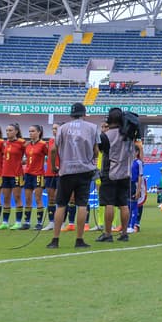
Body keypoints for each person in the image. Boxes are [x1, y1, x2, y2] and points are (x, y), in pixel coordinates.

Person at [47, 103, 100, 249]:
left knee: (61, 204)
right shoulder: (92, 127)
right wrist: (92, 160)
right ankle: (79, 239)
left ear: (71, 114)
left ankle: (55, 239)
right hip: (84, 170)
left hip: (66, 170)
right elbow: (96, 150)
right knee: (82, 204)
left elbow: (53, 150)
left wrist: (53, 166)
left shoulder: (62, 128)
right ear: (84, 113)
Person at [97, 107, 134, 243]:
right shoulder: (128, 135)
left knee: (109, 204)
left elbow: (101, 151)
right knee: (123, 203)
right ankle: (124, 233)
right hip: (125, 172)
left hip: (110, 171)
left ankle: (107, 233)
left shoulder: (105, 135)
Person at [0, 123, 25, 229]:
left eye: (10, 130)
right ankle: (5, 222)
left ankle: (18, 222)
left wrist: (23, 162)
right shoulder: (5, 143)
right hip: (5, 174)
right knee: (6, 198)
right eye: (7, 130)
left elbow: (31, 153)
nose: (8, 132)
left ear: (16, 131)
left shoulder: (22, 143)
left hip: (16, 174)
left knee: (17, 197)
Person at [21, 125, 49, 230]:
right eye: (29, 131)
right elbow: (28, 158)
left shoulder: (43, 145)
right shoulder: (27, 145)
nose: (30, 133)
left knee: (38, 198)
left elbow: (50, 156)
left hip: (38, 174)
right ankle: (27, 222)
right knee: (27, 199)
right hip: (28, 174)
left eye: (33, 131)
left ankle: (39, 222)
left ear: (39, 132)